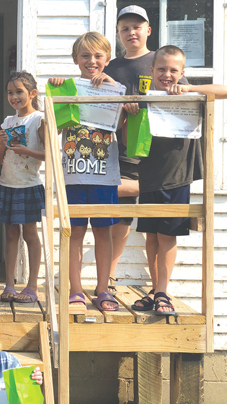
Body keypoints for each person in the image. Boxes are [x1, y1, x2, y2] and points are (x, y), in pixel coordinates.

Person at [106, 5, 190, 306]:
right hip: (122, 146)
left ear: (148, 30)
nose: (131, 32)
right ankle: (111, 278)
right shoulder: (112, 67)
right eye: (125, 28)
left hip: (162, 158)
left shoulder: (161, 61)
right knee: (122, 215)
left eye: (137, 27)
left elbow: (190, 99)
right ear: (119, 33)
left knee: (160, 229)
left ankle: (160, 291)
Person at [125, 45, 210, 314]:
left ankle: (163, 291)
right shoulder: (145, 98)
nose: (167, 74)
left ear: (182, 73)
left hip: (178, 175)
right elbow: (129, 139)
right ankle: (155, 289)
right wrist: (130, 113)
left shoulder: (191, 94)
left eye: (173, 70)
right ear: (151, 71)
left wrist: (186, 89)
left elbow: (223, 91)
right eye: (161, 69)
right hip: (149, 174)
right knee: (150, 235)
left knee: (167, 235)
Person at [48, 32, 121, 311]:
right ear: (75, 59)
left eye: (98, 56)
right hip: (74, 175)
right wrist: (56, 89)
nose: (92, 61)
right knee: (74, 234)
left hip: (104, 174)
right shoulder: (67, 88)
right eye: (85, 55)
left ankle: (103, 289)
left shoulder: (115, 88)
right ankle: (75, 290)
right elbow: (51, 127)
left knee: (104, 234)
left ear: (107, 59)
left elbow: (126, 121)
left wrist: (113, 85)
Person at [0, 71, 45, 303]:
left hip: (28, 185)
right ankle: (10, 285)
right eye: (10, 93)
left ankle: (32, 286)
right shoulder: (7, 121)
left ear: (32, 93)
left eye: (19, 92)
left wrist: (27, 152)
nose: (14, 97)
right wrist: (2, 145)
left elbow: (47, 154)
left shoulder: (39, 119)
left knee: (30, 234)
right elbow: (0, 158)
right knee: (11, 235)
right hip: (7, 184)